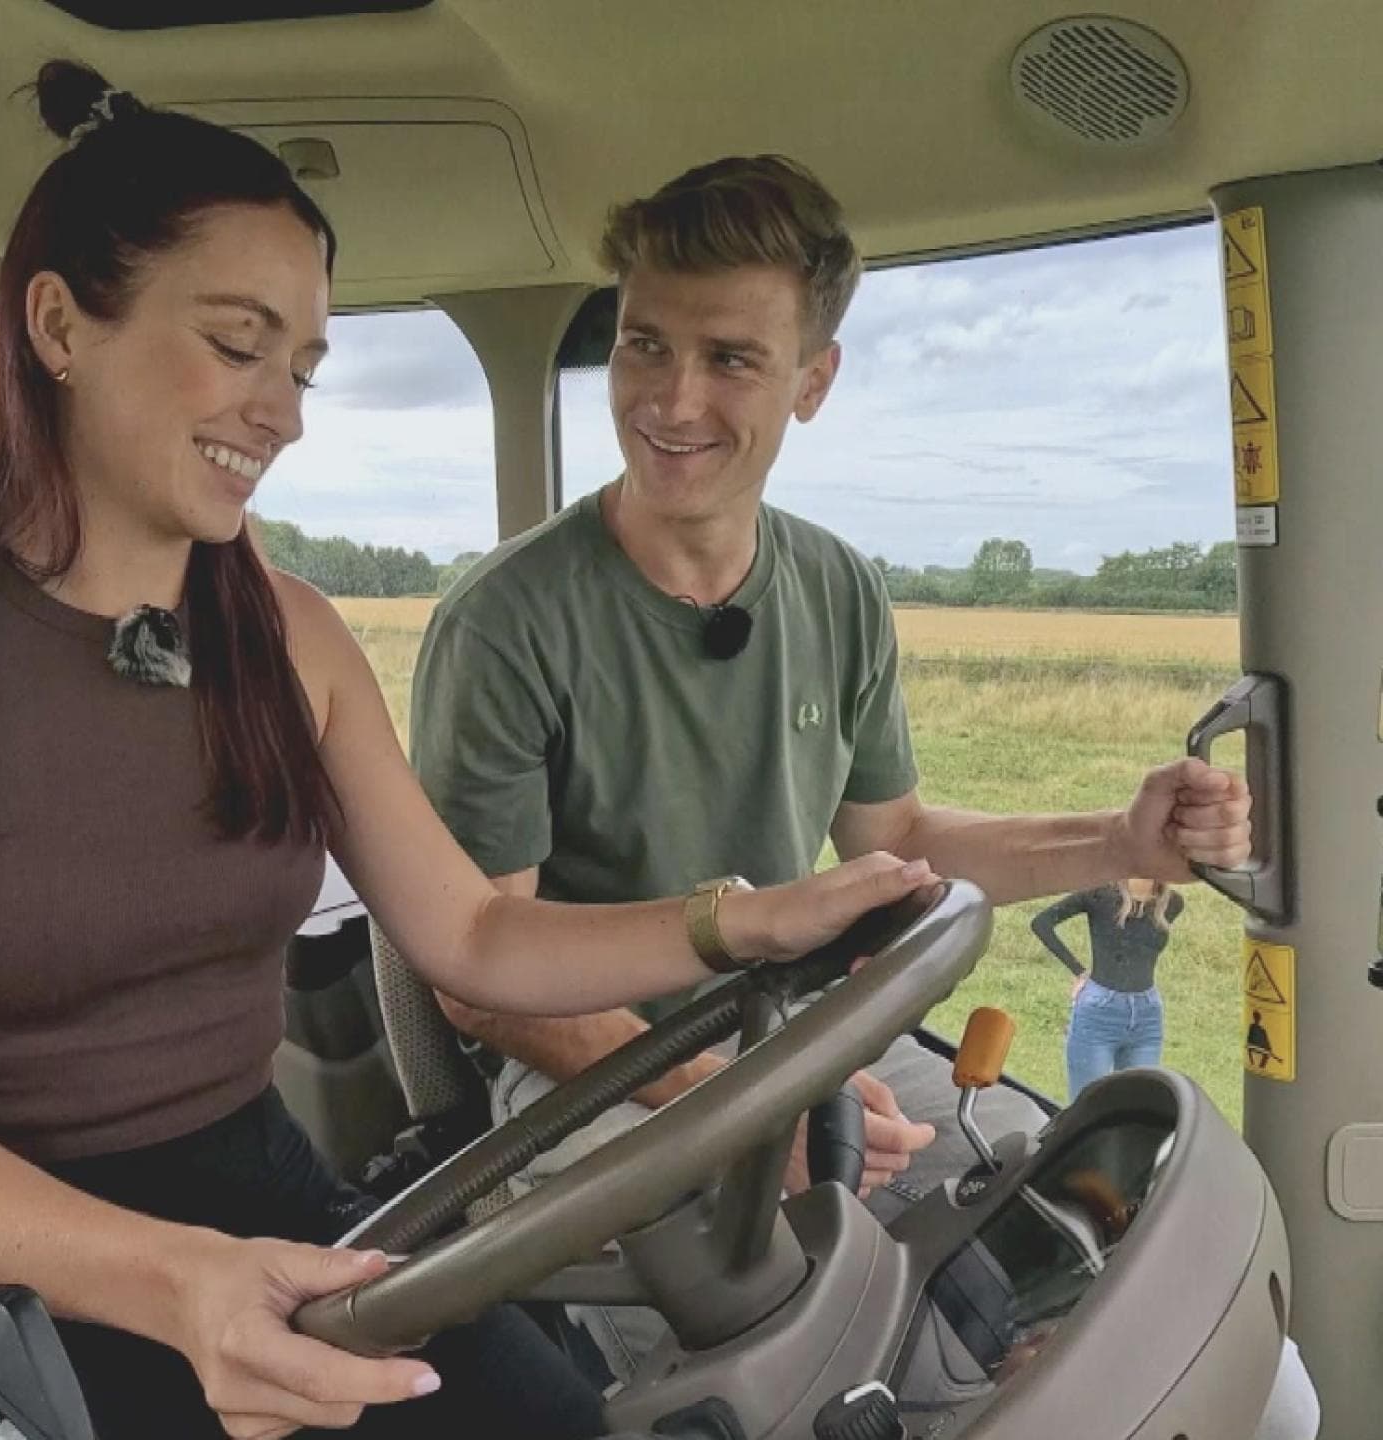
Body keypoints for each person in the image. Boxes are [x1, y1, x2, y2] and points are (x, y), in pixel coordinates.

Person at [0, 67, 948, 1440]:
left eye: (302, 367)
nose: (283, 411)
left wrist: (744, 923)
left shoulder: (288, 635)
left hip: (263, 1206)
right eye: (238, 345)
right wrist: (176, 1283)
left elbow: (480, 934)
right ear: (63, 324)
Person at [407, 155, 1311, 1433]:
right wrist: (733, 1108)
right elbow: (480, 972)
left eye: (729, 358)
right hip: (607, 1087)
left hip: (821, 1045)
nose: (670, 399)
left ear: (812, 382)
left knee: (1100, 1281)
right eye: (644, 346)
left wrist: (1119, 837)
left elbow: (896, 842)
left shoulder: (835, 590)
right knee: (798, 1381)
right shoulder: (505, 624)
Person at [1032, 878, 1186, 1099]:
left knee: (1139, 1107)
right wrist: (1078, 971)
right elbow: (1042, 923)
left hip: (1147, 1014)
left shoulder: (1171, 903)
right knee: (1086, 1106)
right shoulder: (1100, 895)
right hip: (1099, 1011)